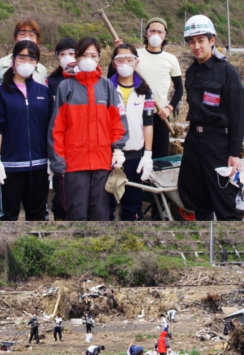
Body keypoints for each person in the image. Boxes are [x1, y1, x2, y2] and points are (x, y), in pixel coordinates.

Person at [176, 15, 244, 220]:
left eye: (201, 40)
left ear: (212, 40)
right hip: (194, 142)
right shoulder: (191, 72)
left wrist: (234, 153)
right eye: (192, 41)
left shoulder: (227, 72)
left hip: (219, 145)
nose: (196, 46)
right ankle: (206, 245)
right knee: (197, 199)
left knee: (226, 202)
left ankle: (231, 246)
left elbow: (239, 116)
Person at [48, 37, 125, 220]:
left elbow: (117, 122)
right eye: (84, 55)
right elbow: (57, 128)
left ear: (99, 58)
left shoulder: (107, 87)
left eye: (93, 55)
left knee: (100, 214)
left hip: (102, 163)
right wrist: (58, 161)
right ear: (77, 58)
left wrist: (118, 150)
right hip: (74, 164)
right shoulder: (66, 86)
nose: (89, 59)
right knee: (76, 214)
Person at [0, 40, 53, 220]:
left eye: (32, 59)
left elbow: (50, 126)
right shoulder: (0, 92)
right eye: (22, 57)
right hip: (10, 166)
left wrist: (51, 158)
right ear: (13, 60)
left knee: (39, 215)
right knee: (6, 215)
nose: (27, 63)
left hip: (40, 166)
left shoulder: (43, 91)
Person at [109, 43, 156, 220]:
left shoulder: (145, 90)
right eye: (120, 59)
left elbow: (148, 122)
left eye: (130, 59)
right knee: (107, 203)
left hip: (135, 155)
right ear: (114, 63)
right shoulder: (106, 88)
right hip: (110, 155)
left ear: (137, 62)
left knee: (132, 205)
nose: (125, 64)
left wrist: (148, 154)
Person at [135, 17, 183, 158]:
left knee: (160, 158)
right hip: (137, 114)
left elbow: (180, 89)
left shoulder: (171, 59)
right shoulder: (135, 54)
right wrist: (119, 52)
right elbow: (116, 74)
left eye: (159, 31)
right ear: (146, 34)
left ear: (165, 35)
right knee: (138, 155)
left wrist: (169, 108)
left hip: (160, 115)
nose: (156, 34)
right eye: (152, 30)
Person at [46, 38, 78, 220]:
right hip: (60, 145)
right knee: (61, 192)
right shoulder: (51, 82)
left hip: (81, 145)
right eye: (62, 54)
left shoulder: (88, 80)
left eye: (72, 53)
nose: (67, 57)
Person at [0, 20, 48, 86]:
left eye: (31, 35)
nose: (27, 38)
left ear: (37, 40)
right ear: (15, 37)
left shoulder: (42, 70)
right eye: (22, 34)